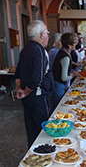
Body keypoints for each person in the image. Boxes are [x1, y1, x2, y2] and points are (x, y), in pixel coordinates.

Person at [14, 20, 53, 148]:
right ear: (42, 35)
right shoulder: (40, 51)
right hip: (38, 98)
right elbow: (37, 79)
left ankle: (33, 153)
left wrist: (20, 89)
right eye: (47, 32)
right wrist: (24, 91)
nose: (48, 35)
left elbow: (18, 73)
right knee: (44, 130)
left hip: (28, 98)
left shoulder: (25, 50)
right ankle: (44, 154)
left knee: (31, 130)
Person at [52, 33, 77, 110]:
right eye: (75, 42)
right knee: (59, 108)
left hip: (57, 83)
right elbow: (64, 78)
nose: (77, 44)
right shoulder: (65, 57)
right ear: (69, 45)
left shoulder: (62, 52)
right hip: (59, 85)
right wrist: (73, 75)